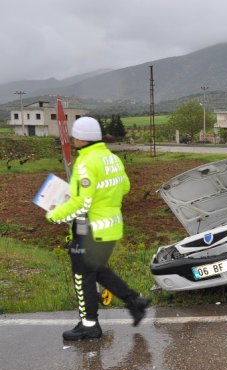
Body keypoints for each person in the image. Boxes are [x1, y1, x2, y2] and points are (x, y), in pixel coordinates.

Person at [46, 117, 151, 341]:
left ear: (81, 139)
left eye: (74, 136)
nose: (73, 140)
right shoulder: (111, 158)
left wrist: (54, 216)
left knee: (82, 275)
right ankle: (135, 301)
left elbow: (81, 203)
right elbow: (125, 187)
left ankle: (89, 325)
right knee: (96, 269)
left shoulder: (86, 163)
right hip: (110, 227)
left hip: (90, 228)